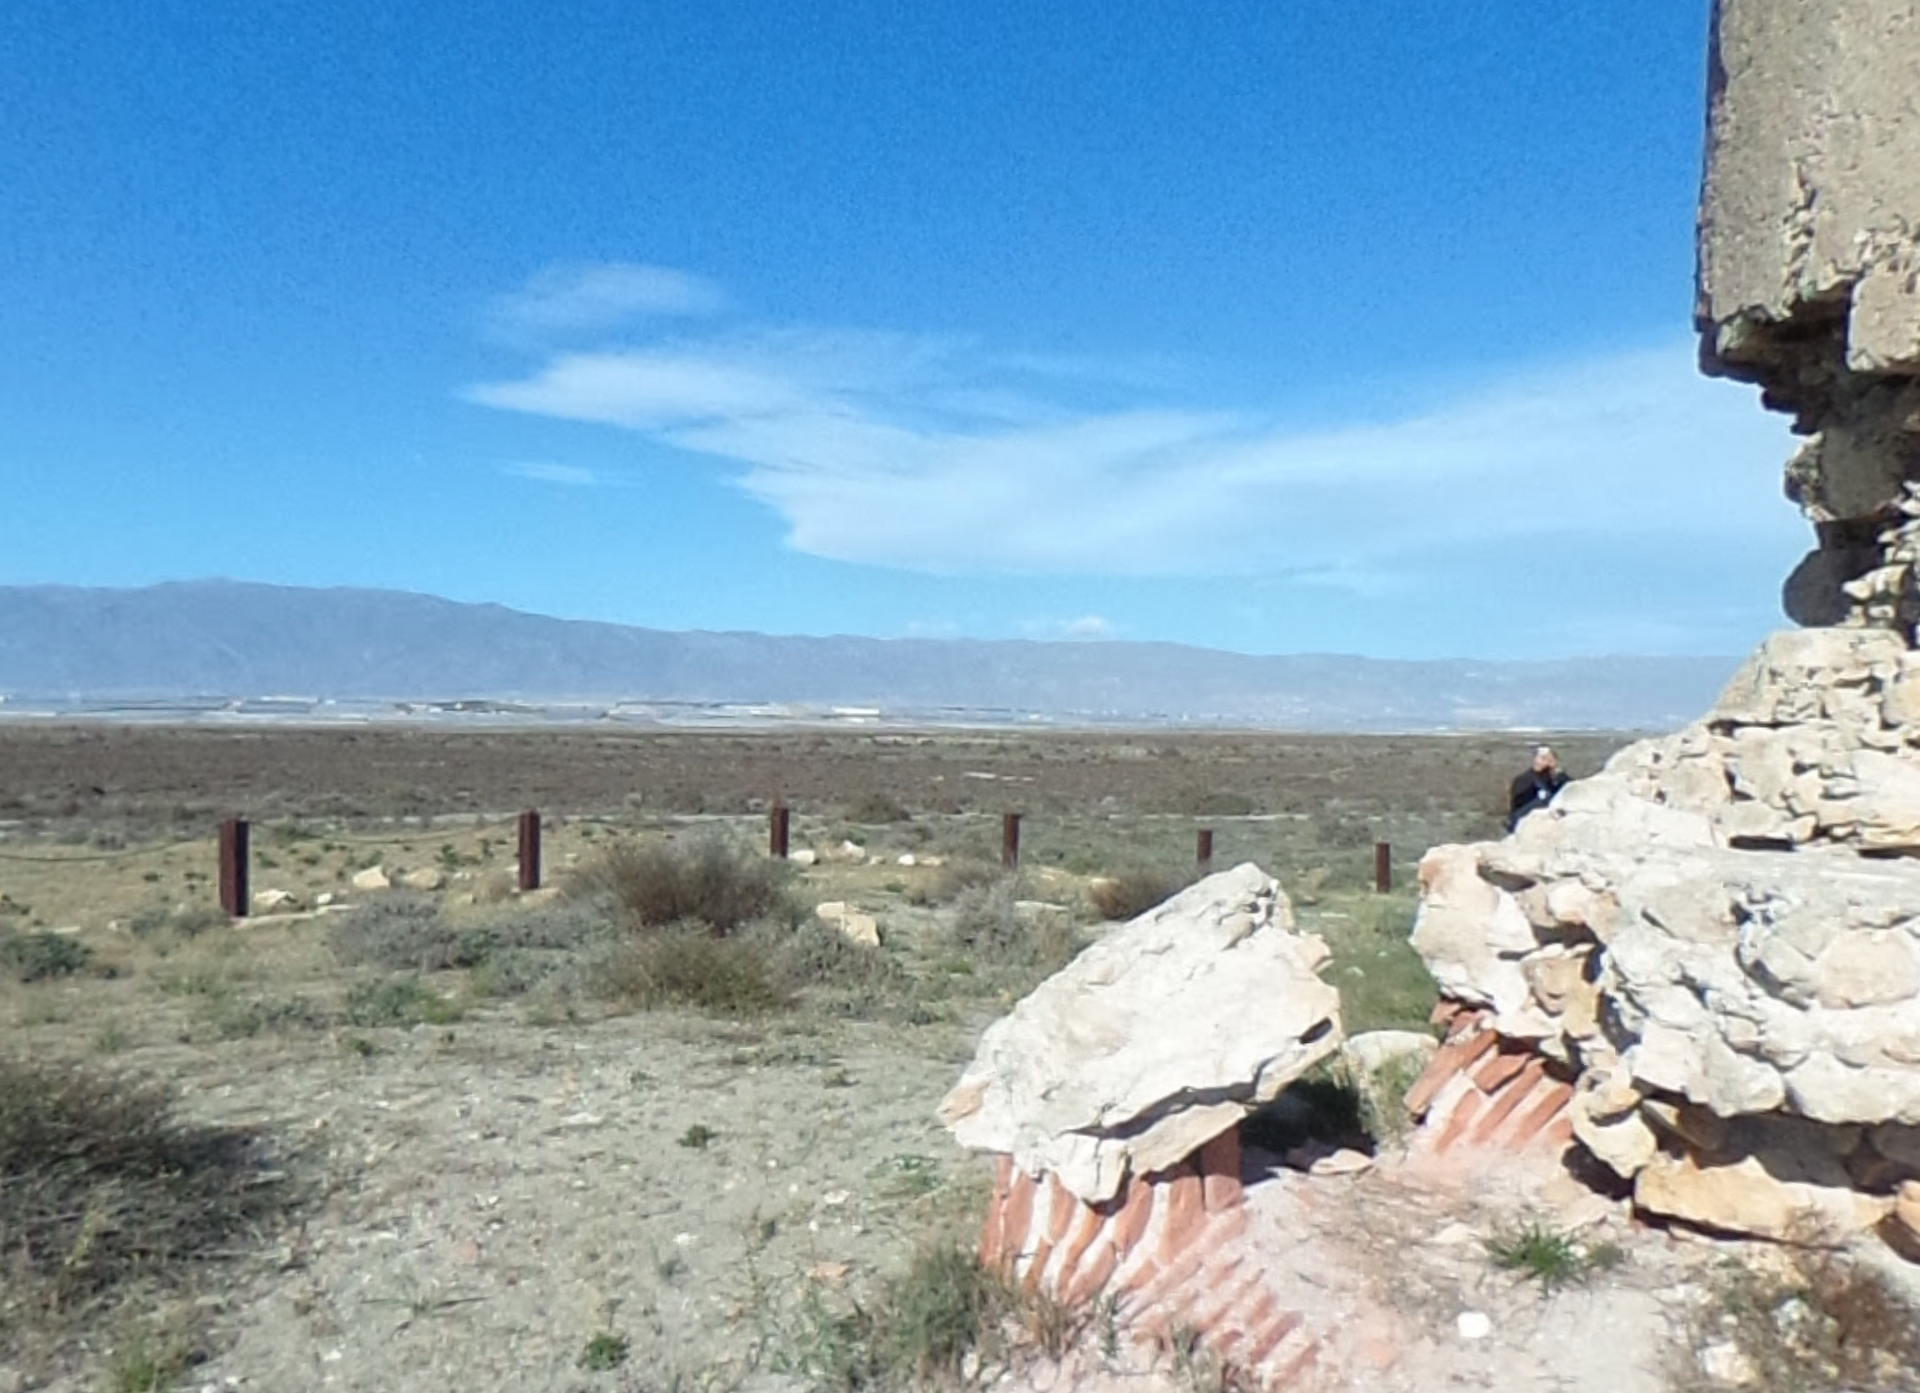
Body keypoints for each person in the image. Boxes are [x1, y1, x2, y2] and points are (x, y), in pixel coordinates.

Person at [1507, 745, 1569, 831]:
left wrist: (1558, 772)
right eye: (1538, 757)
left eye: (1545, 759)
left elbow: (1569, 789)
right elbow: (1519, 808)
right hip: (1524, 824)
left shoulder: (1552, 779)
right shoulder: (1524, 780)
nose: (1538, 761)